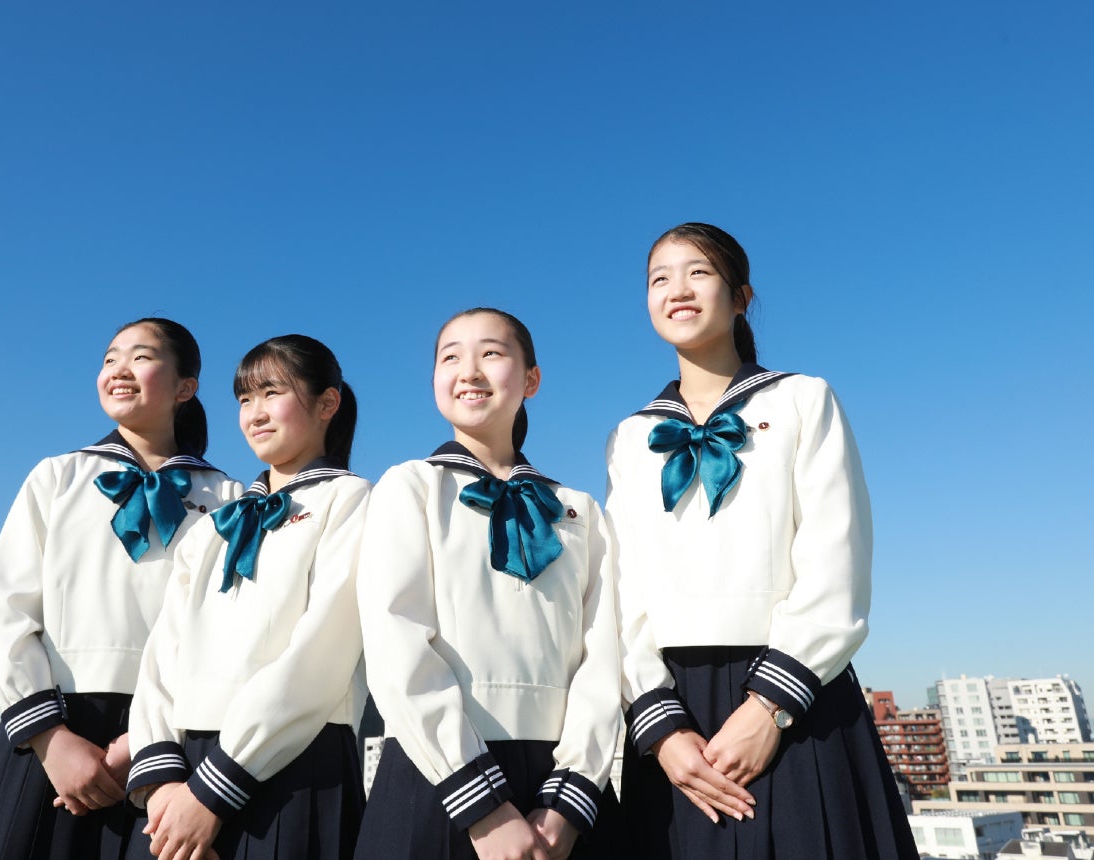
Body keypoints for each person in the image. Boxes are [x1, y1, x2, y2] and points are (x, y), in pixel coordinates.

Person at [606, 223, 917, 858]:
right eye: (659, 278)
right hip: (674, 713)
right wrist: (660, 728)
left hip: (799, 694)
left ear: (741, 295)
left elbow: (838, 557)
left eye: (698, 272)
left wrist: (769, 708)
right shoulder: (630, 436)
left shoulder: (804, 399)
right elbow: (618, 589)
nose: (677, 289)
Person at [0, 318, 243, 860]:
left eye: (141, 357)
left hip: (171, 747)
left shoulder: (230, 497)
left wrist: (146, 740)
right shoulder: (56, 477)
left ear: (186, 387)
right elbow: (4, 617)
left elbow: (229, 631)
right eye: (110, 357)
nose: (118, 369)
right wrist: (51, 740)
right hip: (51, 733)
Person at [355, 308, 622, 860]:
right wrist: (482, 806)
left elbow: (605, 656)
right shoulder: (409, 487)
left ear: (531, 379)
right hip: (436, 778)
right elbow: (395, 642)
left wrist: (568, 803)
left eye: (491, 354)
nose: (469, 371)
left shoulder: (581, 509)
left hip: (562, 790)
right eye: (450, 357)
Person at [125, 334, 369, 860]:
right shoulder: (213, 524)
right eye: (243, 399)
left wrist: (212, 793)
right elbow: (160, 657)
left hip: (298, 763)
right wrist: (165, 786)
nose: (255, 413)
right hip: (185, 776)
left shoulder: (352, 500)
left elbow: (321, 654)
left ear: (328, 403)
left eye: (272, 392)